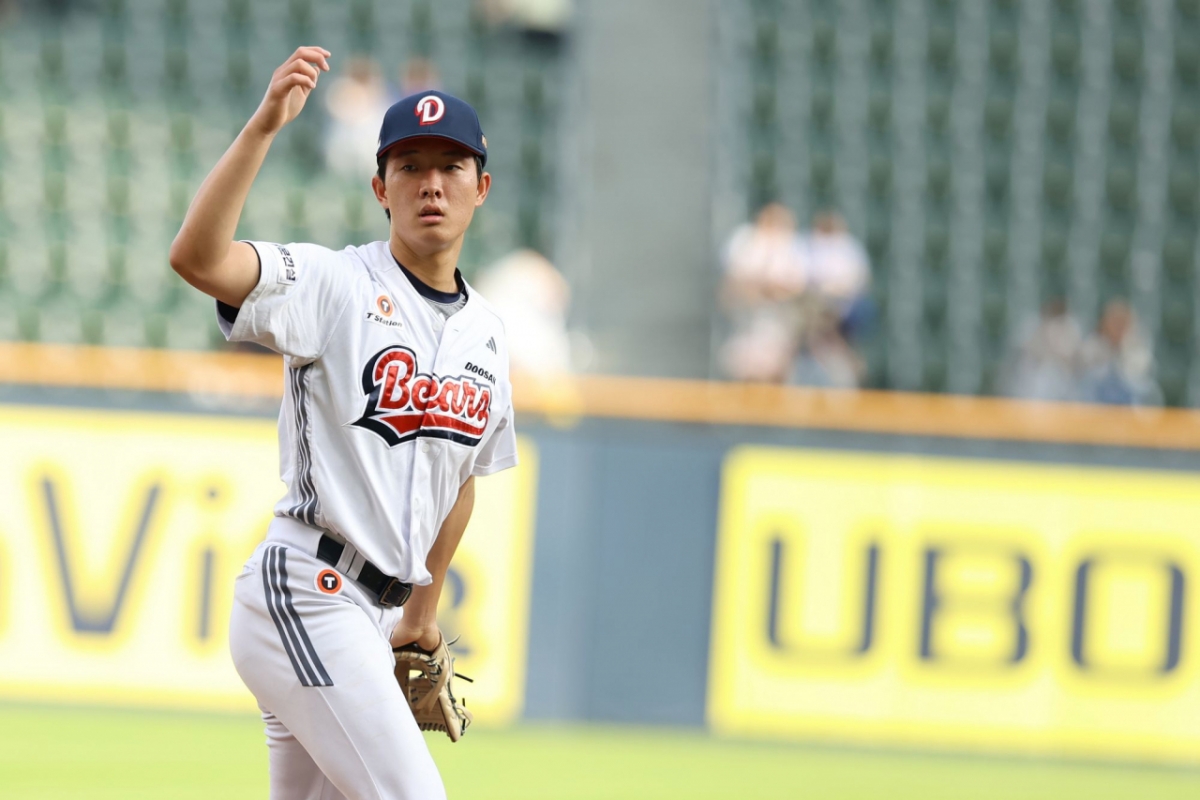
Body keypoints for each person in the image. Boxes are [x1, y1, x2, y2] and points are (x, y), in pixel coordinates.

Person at [169, 47, 518, 799]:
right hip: (306, 588)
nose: (431, 183)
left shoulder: (488, 334)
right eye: (410, 166)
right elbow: (199, 259)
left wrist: (421, 613)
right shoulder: (333, 284)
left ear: (481, 187)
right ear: (380, 188)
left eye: (451, 166)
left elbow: (461, 480)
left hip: (371, 615)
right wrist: (264, 128)